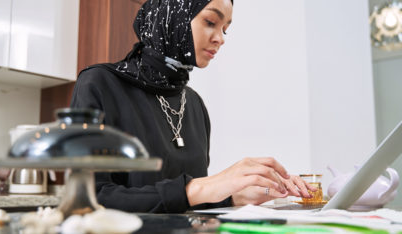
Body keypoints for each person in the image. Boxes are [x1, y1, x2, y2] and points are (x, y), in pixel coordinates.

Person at [70, 0, 316, 213]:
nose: (220, 38)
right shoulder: (99, 84)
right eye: (211, 21)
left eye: (225, 30)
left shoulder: (194, 103)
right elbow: (89, 199)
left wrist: (235, 196)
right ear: (172, 14)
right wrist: (201, 187)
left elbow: (182, 204)